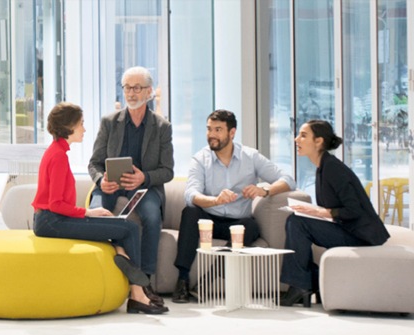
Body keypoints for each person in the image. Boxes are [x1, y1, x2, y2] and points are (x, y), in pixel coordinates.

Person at [32, 102, 167, 315]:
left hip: (52, 219)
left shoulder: (58, 152)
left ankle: (122, 256)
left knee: (121, 228)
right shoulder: (58, 156)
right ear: (69, 127)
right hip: (51, 221)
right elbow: (56, 204)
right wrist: (87, 212)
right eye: (81, 124)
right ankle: (138, 295)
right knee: (129, 229)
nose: (84, 129)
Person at [172, 109, 296, 303]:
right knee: (190, 212)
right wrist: (215, 200)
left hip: (237, 224)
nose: (211, 134)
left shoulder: (251, 157)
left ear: (232, 133)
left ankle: (211, 277)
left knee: (251, 226)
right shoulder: (200, 159)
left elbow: (288, 179)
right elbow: (191, 194)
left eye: (218, 129)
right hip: (208, 221)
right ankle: (182, 281)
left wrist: (264, 191)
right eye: (209, 129)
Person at [88, 66, 174, 308]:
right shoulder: (109, 122)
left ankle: (144, 281)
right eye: (127, 87)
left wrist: (143, 178)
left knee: (151, 216)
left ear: (148, 92)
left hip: (144, 188)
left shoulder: (161, 126)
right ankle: (101, 272)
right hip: (110, 186)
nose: (132, 93)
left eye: (137, 88)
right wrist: (100, 181)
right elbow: (94, 163)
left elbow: (168, 171)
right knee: (96, 213)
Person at [280, 120, 390, 307]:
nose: (296, 139)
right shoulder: (323, 167)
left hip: (361, 236)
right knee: (296, 219)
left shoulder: (332, 168)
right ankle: (307, 283)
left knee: (297, 222)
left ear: (318, 141)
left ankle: (301, 285)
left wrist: (321, 212)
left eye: (303, 135)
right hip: (347, 228)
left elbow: (353, 210)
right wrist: (314, 212)